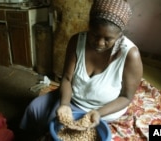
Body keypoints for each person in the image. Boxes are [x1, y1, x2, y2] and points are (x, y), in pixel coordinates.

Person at [19, 0, 143, 139]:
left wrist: (98, 112)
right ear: (89, 26)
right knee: (33, 108)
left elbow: (126, 97)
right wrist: (65, 104)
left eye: (108, 39)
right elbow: (67, 78)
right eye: (95, 35)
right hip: (72, 98)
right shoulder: (76, 41)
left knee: (54, 126)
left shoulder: (130, 55)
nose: (100, 43)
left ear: (119, 35)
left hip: (103, 108)